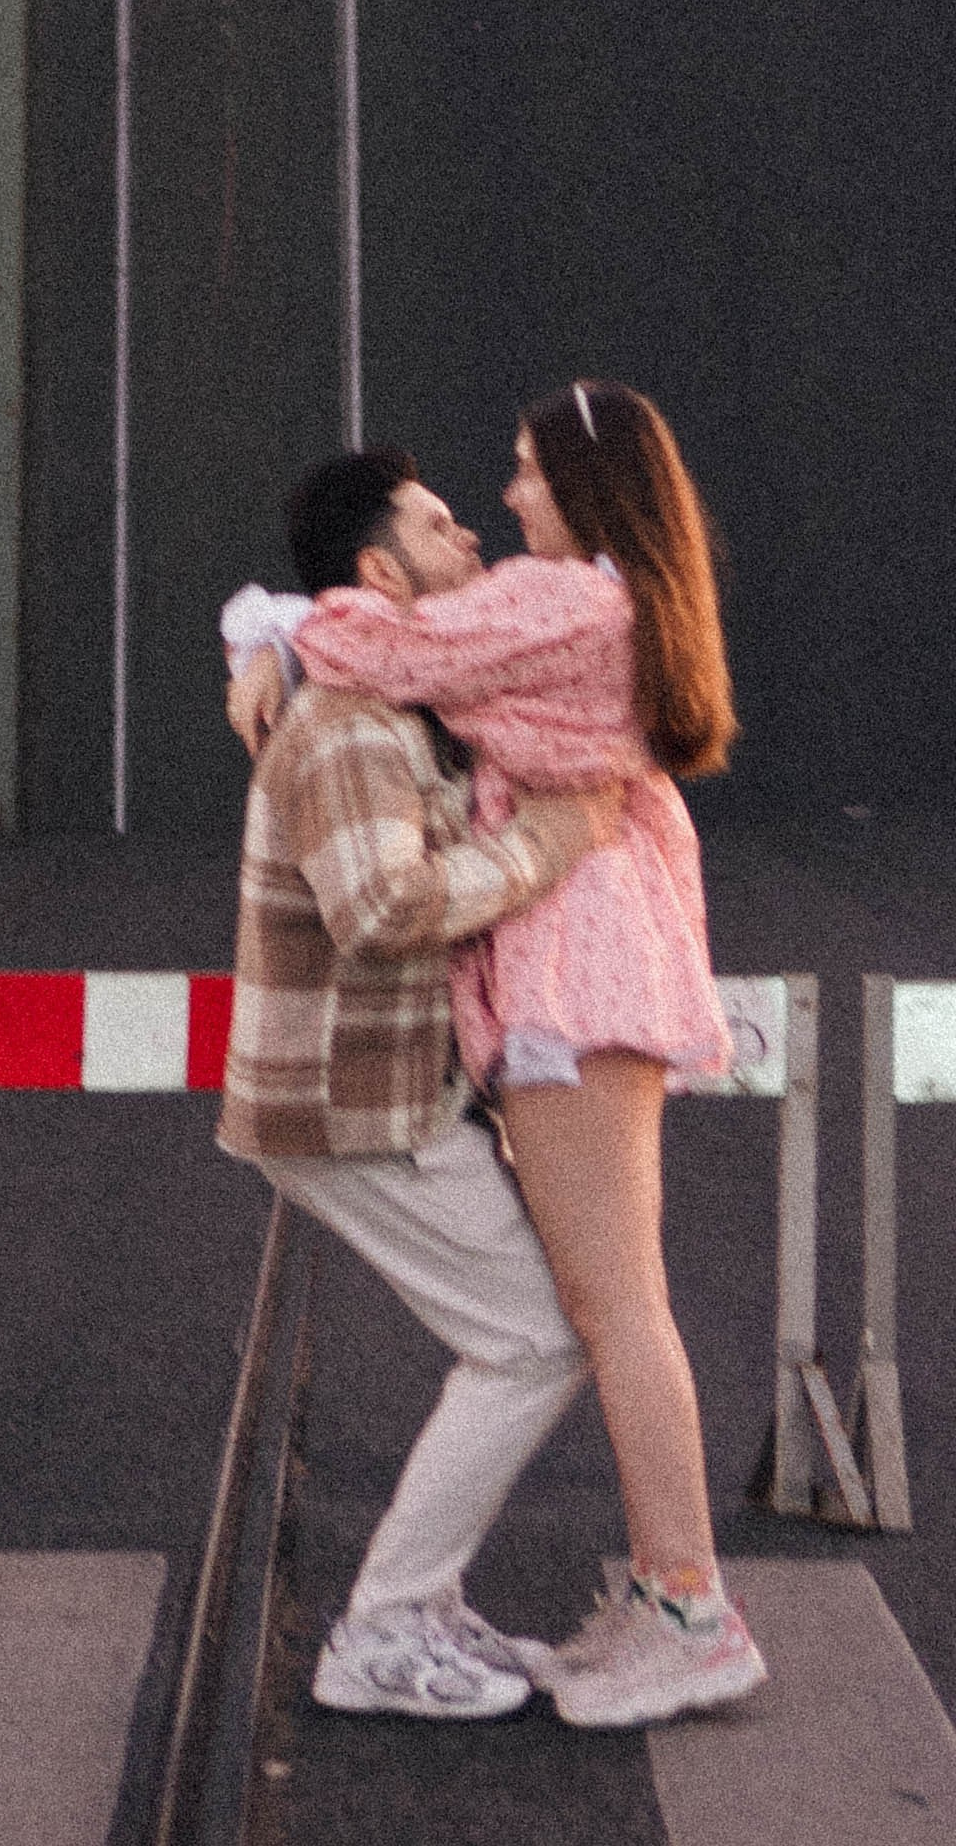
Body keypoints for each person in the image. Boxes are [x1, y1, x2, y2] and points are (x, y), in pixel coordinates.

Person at [224, 386, 766, 1731]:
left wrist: (265, 634)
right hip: (569, 963)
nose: (501, 504)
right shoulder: (595, 604)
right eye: (468, 502)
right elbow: (402, 651)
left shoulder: (568, 599)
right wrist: (272, 637)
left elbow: (385, 643)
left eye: (522, 475)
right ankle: (660, 1597)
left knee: (608, 1311)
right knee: (585, 1313)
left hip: (574, 971)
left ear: (586, 486)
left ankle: (687, 1609)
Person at [218, 443, 625, 1723]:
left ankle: (419, 1603)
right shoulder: (347, 731)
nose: (476, 543)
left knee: (523, 1336)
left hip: (382, 1095)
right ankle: (383, 1627)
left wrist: (265, 641)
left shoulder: (382, 697)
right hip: (351, 1107)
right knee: (537, 1339)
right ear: (381, 570)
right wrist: (546, 848)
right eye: (445, 527)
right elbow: (382, 906)